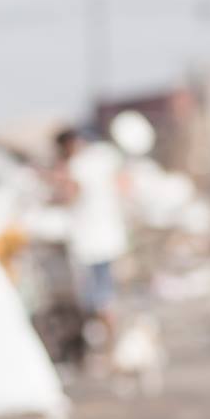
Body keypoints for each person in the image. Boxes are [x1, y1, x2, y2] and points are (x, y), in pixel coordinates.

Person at [52, 127, 129, 349]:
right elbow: (124, 184)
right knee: (106, 293)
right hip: (110, 235)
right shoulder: (104, 157)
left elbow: (69, 196)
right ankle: (112, 341)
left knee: (96, 297)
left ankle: (109, 343)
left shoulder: (77, 165)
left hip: (90, 240)